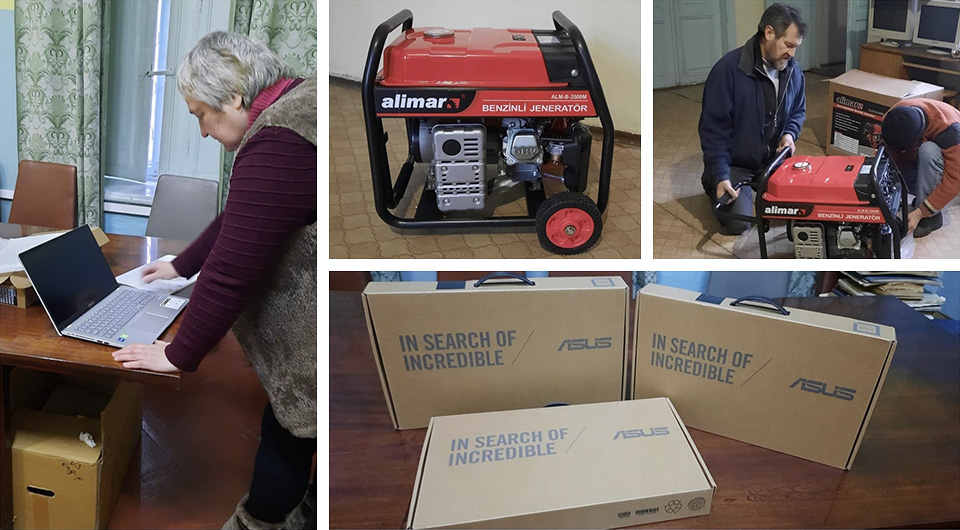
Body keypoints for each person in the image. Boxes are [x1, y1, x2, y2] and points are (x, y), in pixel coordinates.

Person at [112, 31, 317, 530]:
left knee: (291, 427)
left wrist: (179, 354)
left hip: (311, 340)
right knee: (294, 430)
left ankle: (263, 521)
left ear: (234, 96)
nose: (203, 131)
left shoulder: (276, 141)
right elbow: (245, 216)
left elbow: (231, 270)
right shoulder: (300, 101)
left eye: (201, 113)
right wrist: (181, 265)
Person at [699, 3, 807, 234]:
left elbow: (798, 110)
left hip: (771, 161)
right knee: (739, 224)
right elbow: (713, 131)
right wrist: (720, 175)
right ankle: (712, 181)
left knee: (804, 207)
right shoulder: (728, 70)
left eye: (796, 47)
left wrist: (789, 134)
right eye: (788, 45)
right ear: (769, 33)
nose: (792, 54)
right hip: (734, 164)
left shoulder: (792, 70)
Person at [880, 98, 960, 238]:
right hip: (923, 149)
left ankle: (932, 218)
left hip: (953, 164)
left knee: (928, 151)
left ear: (920, 137)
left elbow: (955, 180)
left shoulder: (950, 131)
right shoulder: (894, 118)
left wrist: (921, 212)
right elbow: (889, 154)